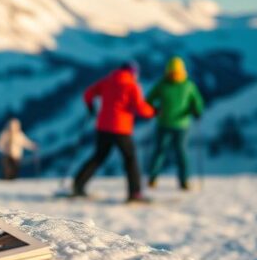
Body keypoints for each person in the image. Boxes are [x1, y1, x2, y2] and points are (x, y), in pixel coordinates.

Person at [72, 61, 155, 202]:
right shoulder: (132, 85)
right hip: (121, 129)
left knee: (99, 156)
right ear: (134, 73)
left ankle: (78, 185)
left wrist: (90, 107)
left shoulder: (107, 80)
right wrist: (154, 111)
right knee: (130, 159)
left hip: (103, 127)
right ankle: (134, 194)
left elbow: (88, 93)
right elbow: (141, 108)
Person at [146, 57, 204, 191]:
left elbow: (197, 101)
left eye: (176, 73)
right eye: (172, 73)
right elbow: (149, 99)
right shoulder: (162, 84)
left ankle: (183, 181)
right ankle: (152, 178)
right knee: (160, 151)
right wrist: (153, 109)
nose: (174, 75)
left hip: (181, 125)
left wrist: (197, 110)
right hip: (163, 124)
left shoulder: (188, 86)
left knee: (181, 153)